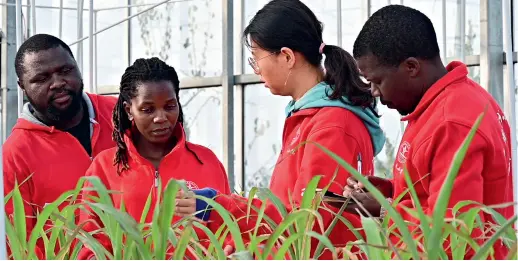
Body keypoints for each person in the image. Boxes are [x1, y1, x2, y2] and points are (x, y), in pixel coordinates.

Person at [175, 0, 385, 259]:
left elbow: (310, 227)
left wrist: (216, 206)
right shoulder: (309, 117)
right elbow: (289, 215)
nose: (257, 69)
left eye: (256, 58)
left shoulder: (332, 125)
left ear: (286, 56)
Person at [343, 4, 514, 259]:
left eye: (377, 81)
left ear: (411, 67)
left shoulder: (454, 122)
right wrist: (388, 191)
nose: (375, 93)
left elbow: (455, 236)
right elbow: (431, 191)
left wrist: (385, 211)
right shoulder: (441, 103)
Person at [77, 57, 231, 259]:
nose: (160, 117)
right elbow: (90, 242)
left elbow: (228, 226)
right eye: (147, 110)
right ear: (128, 110)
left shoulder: (206, 161)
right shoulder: (104, 166)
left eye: (169, 106)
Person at [3, 34, 117, 257]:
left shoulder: (121, 115)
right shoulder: (14, 155)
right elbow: (19, 246)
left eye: (65, 71)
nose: (57, 83)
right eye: (41, 79)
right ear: (22, 86)